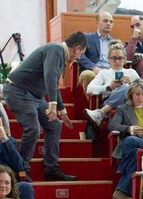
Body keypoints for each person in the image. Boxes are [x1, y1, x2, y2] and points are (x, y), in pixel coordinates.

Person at [5, 33, 85, 182]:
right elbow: (50, 75)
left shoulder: (58, 53)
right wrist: (53, 104)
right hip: (19, 92)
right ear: (78, 49)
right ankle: (20, 169)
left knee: (54, 125)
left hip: (34, 96)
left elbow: (53, 84)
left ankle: (51, 168)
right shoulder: (56, 49)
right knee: (33, 128)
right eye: (81, 53)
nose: (78, 58)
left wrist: (62, 111)